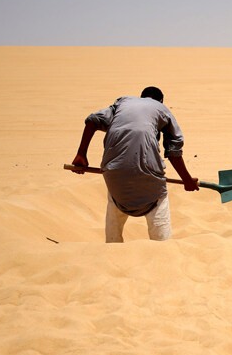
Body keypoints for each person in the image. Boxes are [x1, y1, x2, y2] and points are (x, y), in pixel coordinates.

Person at [71, 86, 199, 242]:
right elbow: (174, 151)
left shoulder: (122, 104)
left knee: (115, 196)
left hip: (113, 173)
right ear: (160, 101)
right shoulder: (162, 109)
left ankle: (112, 245)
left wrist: (81, 154)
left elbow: (92, 121)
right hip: (148, 176)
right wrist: (186, 180)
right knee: (159, 200)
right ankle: (163, 246)